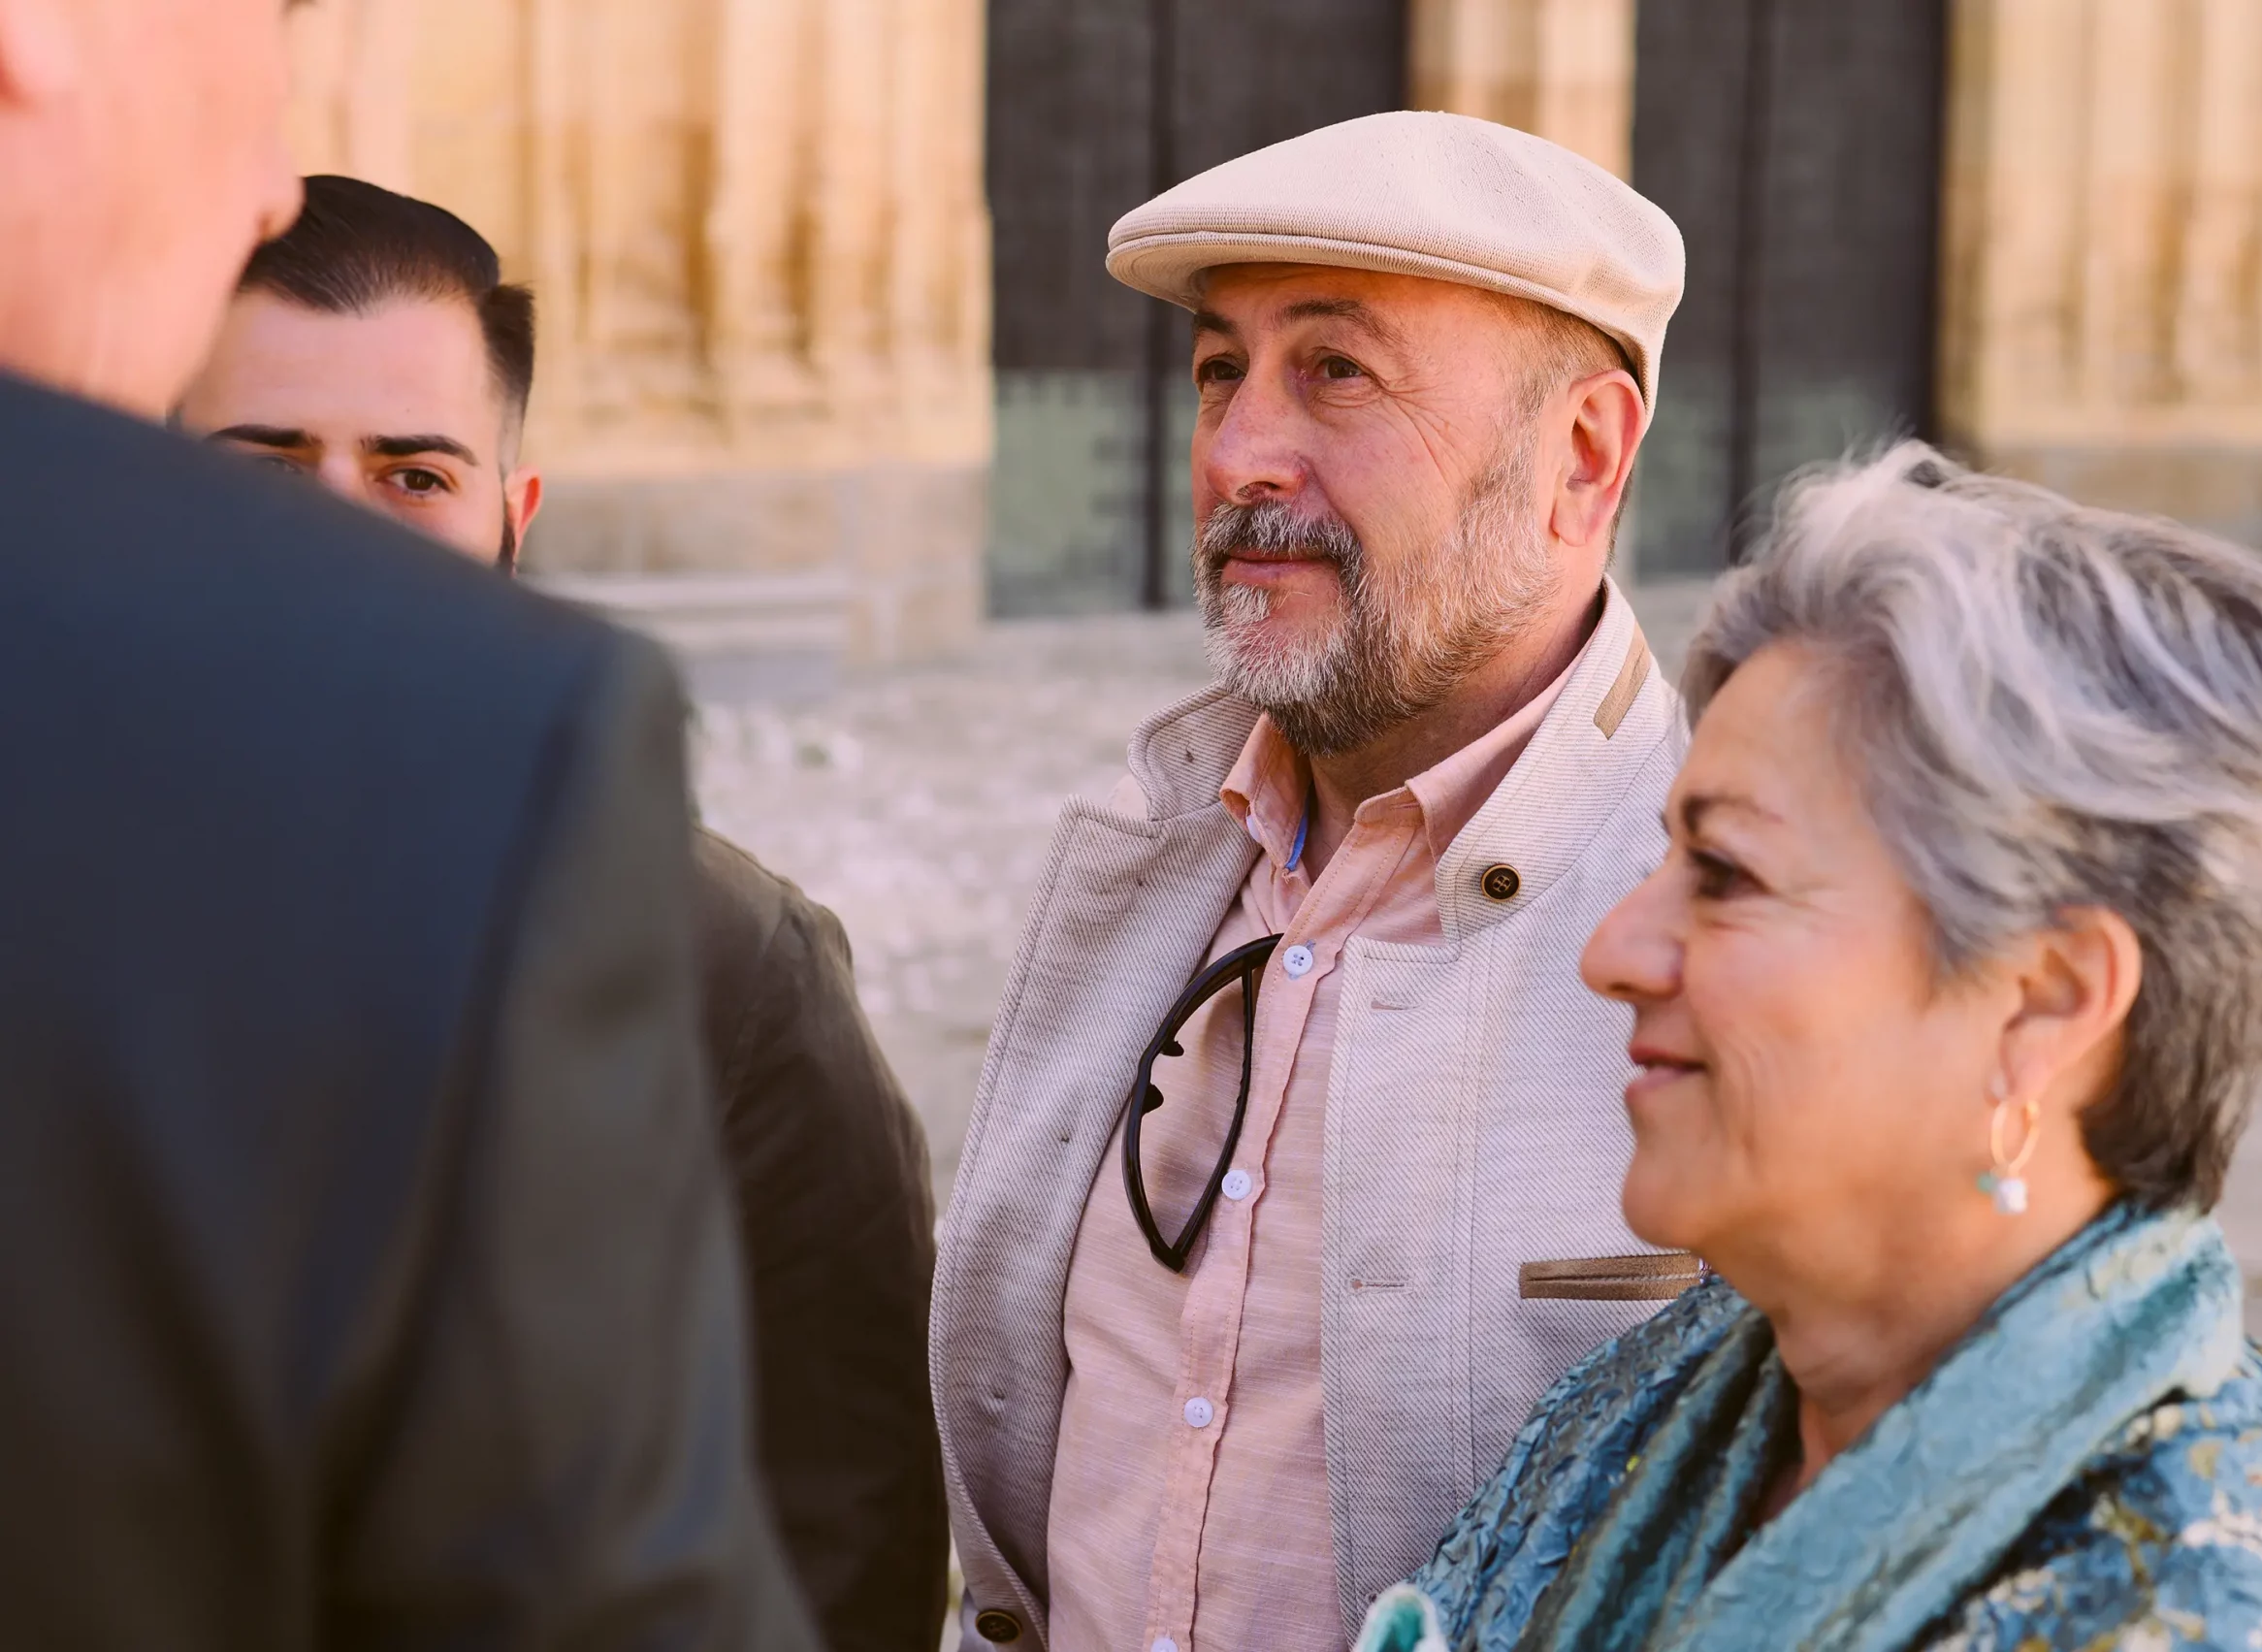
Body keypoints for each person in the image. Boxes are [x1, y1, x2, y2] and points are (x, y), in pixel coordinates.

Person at [0, 2, 814, 1646]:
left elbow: (828, 1444)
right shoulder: (482, 758)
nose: (266, 184)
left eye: (413, 470)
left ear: (514, 507)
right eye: (253, 64)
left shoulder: (712, 938)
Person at [1355, 443, 2262, 1651]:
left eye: (1726, 873)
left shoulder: (2213, 1612)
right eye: (1666, 858)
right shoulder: (1656, 1400)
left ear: (2043, 1003)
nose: (1611, 950)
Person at [934, 112, 1696, 1652]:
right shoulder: (1139, 856)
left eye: (1337, 370)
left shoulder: (1718, 928)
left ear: (1583, 456)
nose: (1235, 453)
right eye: (1222, 370)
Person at [177, 174, 951, 1652]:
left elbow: (838, 1535)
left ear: (511, 519)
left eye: (413, 475)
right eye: (264, 465)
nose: (341, 535)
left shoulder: (724, 968)